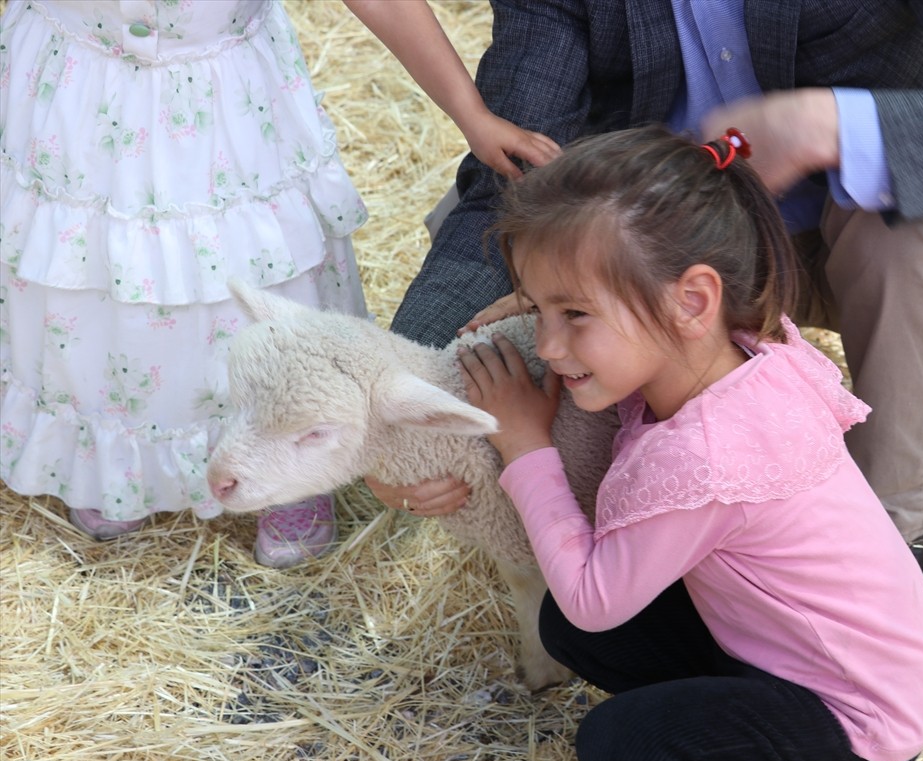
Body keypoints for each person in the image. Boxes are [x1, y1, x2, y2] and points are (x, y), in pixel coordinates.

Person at [379, 0, 923, 579]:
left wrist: (831, 123)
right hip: (674, 263)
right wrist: (401, 396)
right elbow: (512, 181)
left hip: (884, 243)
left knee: (902, 213)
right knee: (567, 281)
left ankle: (890, 545)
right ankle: (669, 539)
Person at [455, 125, 923, 761]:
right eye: (538, 308)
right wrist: (566, 301)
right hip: (809, 656)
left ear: (692, 300)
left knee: (625, 747)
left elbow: (597, 599)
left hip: (851, 721)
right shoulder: (739, 352)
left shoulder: (706, 457)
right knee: (566, 626)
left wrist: (524, 445)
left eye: (574, 314)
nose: (548, 343)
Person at [0, 0, 556, 567]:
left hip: (221, 106)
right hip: (75, 91)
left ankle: (291, 463)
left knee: (251, 278)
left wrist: (471, 115)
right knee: (90, 273)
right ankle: (121, 461)